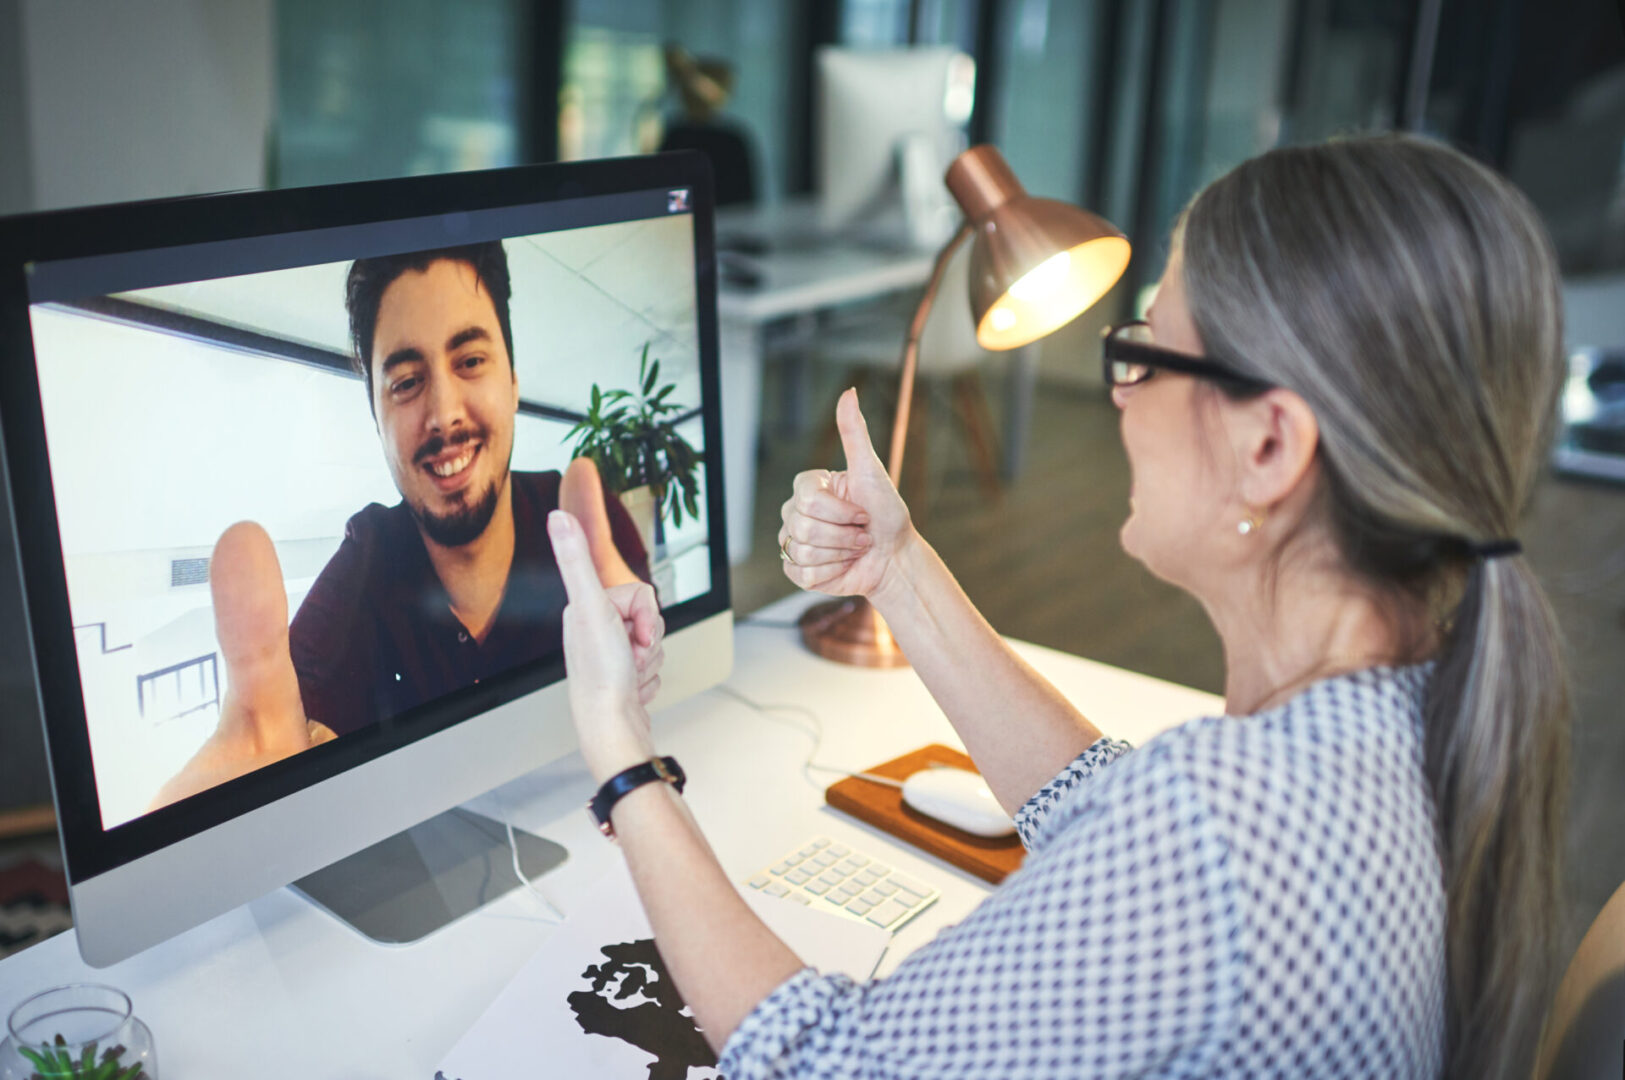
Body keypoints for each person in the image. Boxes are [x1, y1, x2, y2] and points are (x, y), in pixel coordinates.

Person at [547, 133, 1571, 1080]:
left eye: (1148, 354)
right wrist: (896, 571)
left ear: (1269, 447)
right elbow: (1106, 811)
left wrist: (619, 750)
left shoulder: (1220, 834)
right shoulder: (1406, 712)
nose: (1119, 391)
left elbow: (813, 1063)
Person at [150, 242, 661, 809]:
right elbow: (280, 725)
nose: (443, 414)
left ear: (513, 381)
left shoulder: (593, 535)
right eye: (406, 382)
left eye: (469, 362)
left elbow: (653, 698)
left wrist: (641, 670)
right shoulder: (362, 571)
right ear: (376, 418)